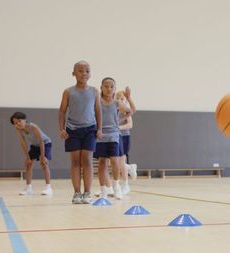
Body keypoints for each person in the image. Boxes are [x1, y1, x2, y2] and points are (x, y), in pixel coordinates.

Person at [58, 60, 102, 204]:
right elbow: (62, 111)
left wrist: (99, 128)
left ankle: (87, 192)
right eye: (81, 71)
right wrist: (62, 128)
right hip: (72, 130)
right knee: (75, 161)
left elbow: (98, 111)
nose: (84, 73)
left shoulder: (94, 91)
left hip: (90, 129)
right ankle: (77, 192)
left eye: (87, 71)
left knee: (87, 160)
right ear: (74, 73)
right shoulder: (68, 92)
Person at [95, 78, 136, 199]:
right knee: (102, 162)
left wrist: (128, 98)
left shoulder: (116, 103)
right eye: (106, 86)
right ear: (101, 87)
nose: (109, 89)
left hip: (114, 134)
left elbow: (132, 110)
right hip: (101, 135)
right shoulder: (97, 102)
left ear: (114, 89)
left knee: (115, 160)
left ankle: (116, 185)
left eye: (112, 87)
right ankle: (103, 189)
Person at [10, 112, 53, 196]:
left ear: (25, 120)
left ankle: (48, 187)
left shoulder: (33, 127)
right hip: (34, 146)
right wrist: (27, 157)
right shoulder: (18, 129)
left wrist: (43, 156)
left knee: (43, 163)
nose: (17, 123)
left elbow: (41, 141)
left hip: (45, 143)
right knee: (28, 164)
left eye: (19, 121)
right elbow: (23, 142)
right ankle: (29, 188)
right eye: (15, 123)